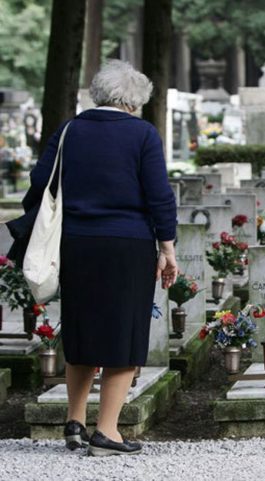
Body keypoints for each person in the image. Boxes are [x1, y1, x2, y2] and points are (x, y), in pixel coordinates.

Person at [25, 60, 177, 456]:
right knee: (123, 336)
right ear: (134, 100)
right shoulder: (143, 134)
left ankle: (74, 422)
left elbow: (41, 182)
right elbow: (159, 195)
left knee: (80, 329)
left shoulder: (70, 129)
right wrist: (167, 248)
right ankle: (107, 431)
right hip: (127, 245)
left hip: (75, 242)